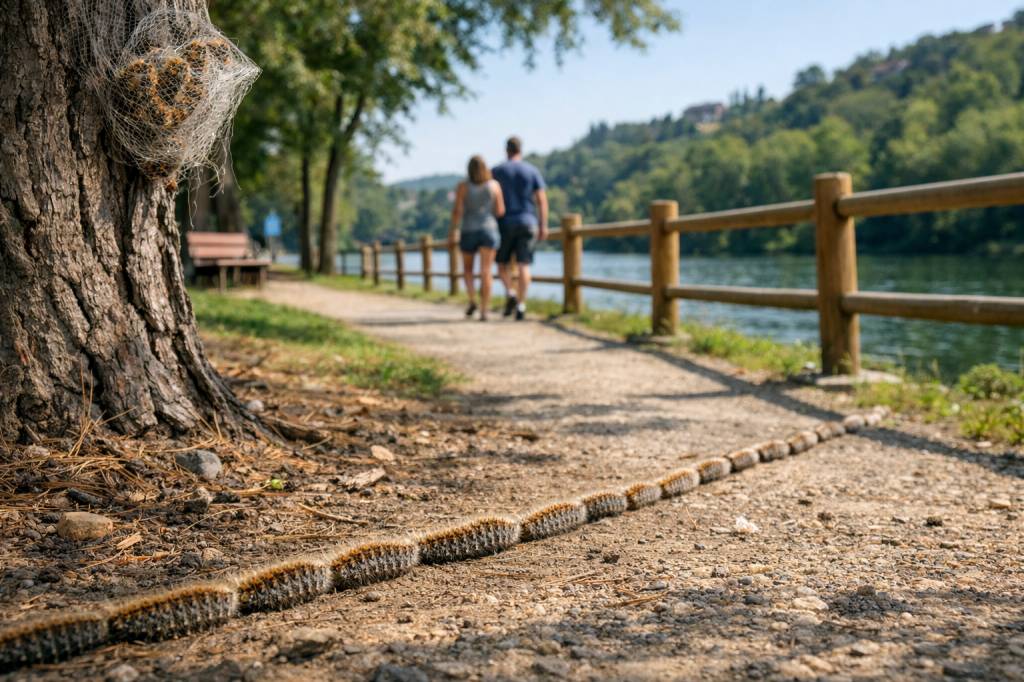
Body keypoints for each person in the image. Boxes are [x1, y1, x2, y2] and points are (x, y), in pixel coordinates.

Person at [492, 136, 548, 320]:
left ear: (506, 150)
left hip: (505, 223)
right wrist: (543, 225)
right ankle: (522, 305)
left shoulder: (497, 171)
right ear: (520, 150)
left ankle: (511, 293)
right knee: (524, 265)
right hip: (528, 222)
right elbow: (541, 200)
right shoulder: (532, 171)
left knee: (501, 264)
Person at [449, 155, 505, 320]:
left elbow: (457, 211)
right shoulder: (494, 186)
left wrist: (453, 230)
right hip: (489, 229)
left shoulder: (463, 186)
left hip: (468, 230)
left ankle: (473, 299)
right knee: (486, 271)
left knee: (467, 270)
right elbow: (501, 211)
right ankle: (484, 310)